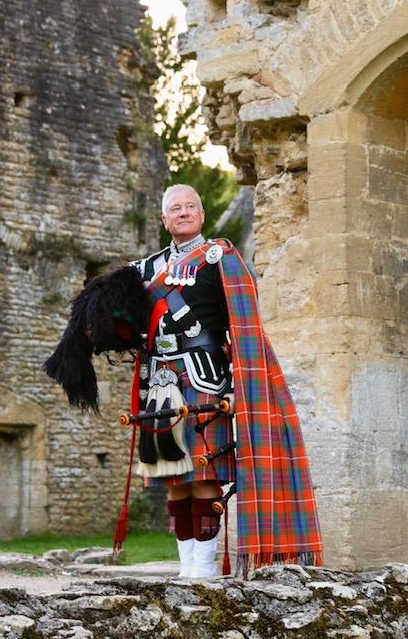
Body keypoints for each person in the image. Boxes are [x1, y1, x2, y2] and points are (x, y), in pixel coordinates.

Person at [130, 184, 323, 580]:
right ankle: (186, 569)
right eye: (175, 208)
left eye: (191, 206)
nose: (184, 212)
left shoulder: (220, 259)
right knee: (174, 481)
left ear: (201, 215)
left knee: (204, 478)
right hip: (160, 383)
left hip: (205, 378)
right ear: (164, 219)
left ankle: (203, 570)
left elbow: (244, 326)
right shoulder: (145, 270)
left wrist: (239, 386)